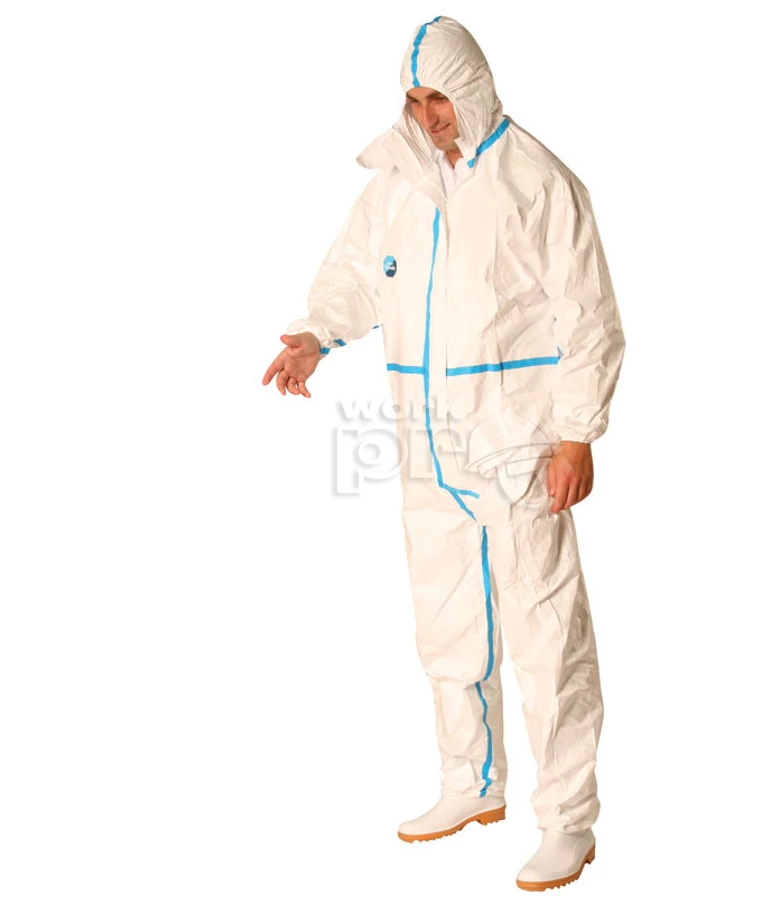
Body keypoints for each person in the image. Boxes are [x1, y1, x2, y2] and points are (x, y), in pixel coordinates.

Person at [262, 15, 625, 892]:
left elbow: (588, 316)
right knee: (447, 623)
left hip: (519, 442)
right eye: (415, 99)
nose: (428, 115)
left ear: (473, 89)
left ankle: (568, 822)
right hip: (427, 440)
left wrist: (577, 433)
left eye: (439, 98)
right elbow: (355, 273)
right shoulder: (399, 184)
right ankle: (471, 782)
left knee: (545, 634)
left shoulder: (538, 182)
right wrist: (316, 335)